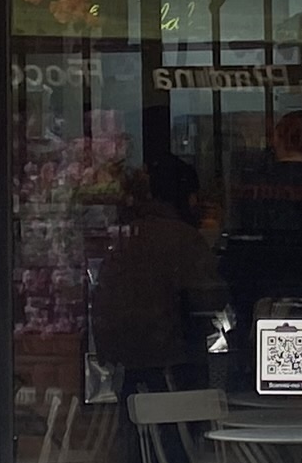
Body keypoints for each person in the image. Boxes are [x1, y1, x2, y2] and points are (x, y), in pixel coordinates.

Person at [89, 163, 225, 390]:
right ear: (186, 196)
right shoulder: (184, 238)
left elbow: (104, 300)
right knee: (186, 411)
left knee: (135, 408)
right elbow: (210, 299)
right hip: (178, 360)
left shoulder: (127, 236)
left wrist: (108, 352)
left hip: (130, 360)